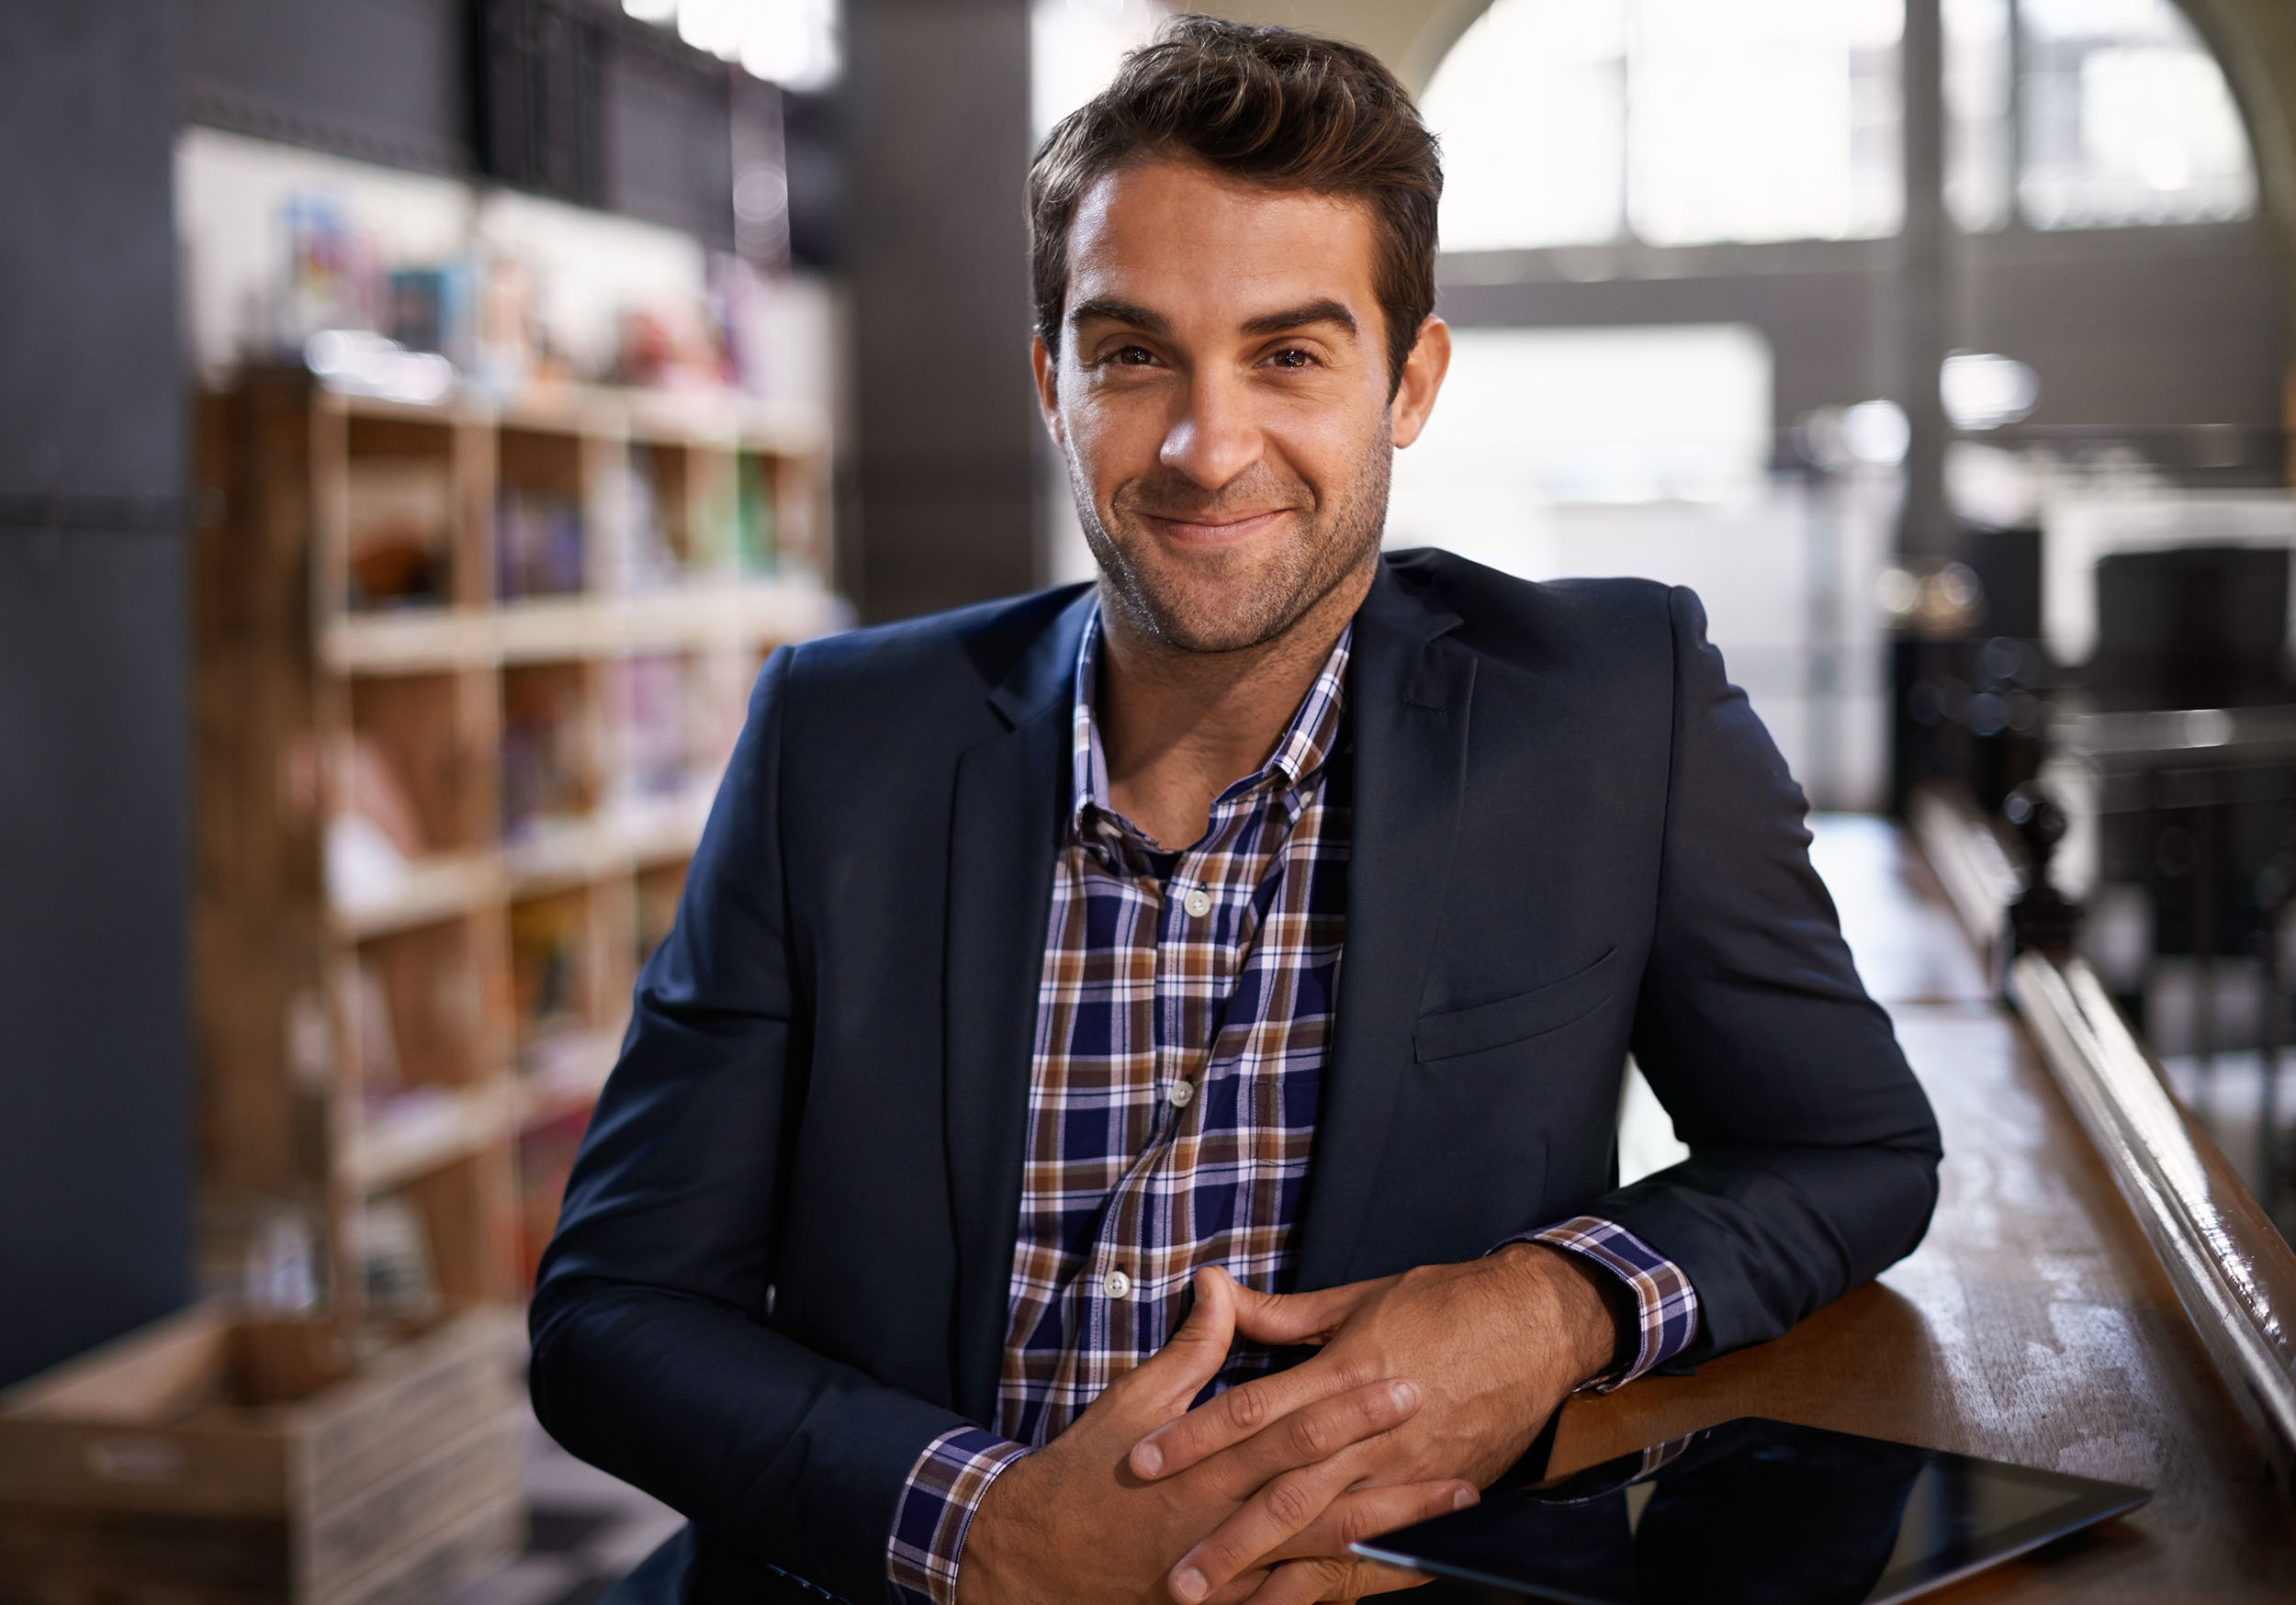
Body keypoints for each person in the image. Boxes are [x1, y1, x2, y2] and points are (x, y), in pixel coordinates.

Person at [529, 18, 1942, 1605]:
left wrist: (1553, 1304)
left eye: (1289, 353)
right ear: (1050, 382)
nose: (1208, 450)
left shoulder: (1615, 709)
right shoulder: (834, 740)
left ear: (1409, 380)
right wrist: (980, 1532)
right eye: (1133, 354)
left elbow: (1851, 1150)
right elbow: (611, 1312)